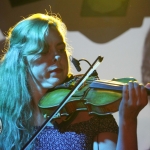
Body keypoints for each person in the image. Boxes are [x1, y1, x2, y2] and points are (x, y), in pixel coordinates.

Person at [0, 13, 148, 150]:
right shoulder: (5, 117)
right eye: (44, 51)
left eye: (61, 49)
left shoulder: (93, 114)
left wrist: (128, 120)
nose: (57, 57)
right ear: (21, 61)